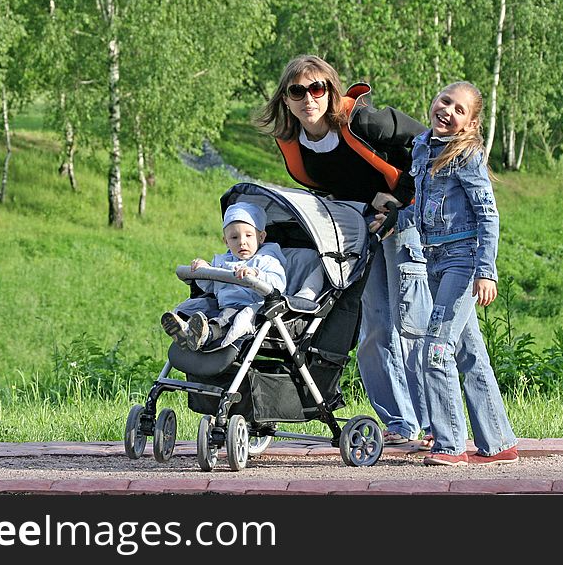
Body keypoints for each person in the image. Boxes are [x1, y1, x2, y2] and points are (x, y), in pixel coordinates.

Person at [259, 54, 432, 448]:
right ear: (286, 100)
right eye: (298, 91)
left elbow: (425, 143)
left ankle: (436, 423)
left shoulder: (365, 121)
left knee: (412, 325)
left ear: (331, 91)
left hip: (405, 219)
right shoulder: (295, 145)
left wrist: (400, 196)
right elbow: (331, 191)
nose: (309, 98)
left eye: (317, 88)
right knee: (374, 327)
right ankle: (400, 424)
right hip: (363, 228)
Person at [398, 80, 518, 465]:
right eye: (445, 101)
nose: (448, 111)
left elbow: (488, 214)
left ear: (470, 124)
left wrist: (487, 271)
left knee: (435, 349)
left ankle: (450, 444)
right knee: (470, 351)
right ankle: (499, 443)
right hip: (432, 257)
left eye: (459, 109)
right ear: (434, 101)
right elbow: (418, 199)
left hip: (463, 261)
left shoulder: (466, 155)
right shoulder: (421, 146)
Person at [161, 202, 287, 350]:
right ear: (226, 241)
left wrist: (256, 274)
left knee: (227, 317)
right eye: (234, 237)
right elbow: (209, 287)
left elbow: (279, 283)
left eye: (248, 235)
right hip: (220, 303)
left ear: (261, 237)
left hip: (245, 306)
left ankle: (207, 334)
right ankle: (183, 326)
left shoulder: (266, 260)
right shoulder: (222, 261)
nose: (242, 242)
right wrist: (203, 270)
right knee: (200, 305)